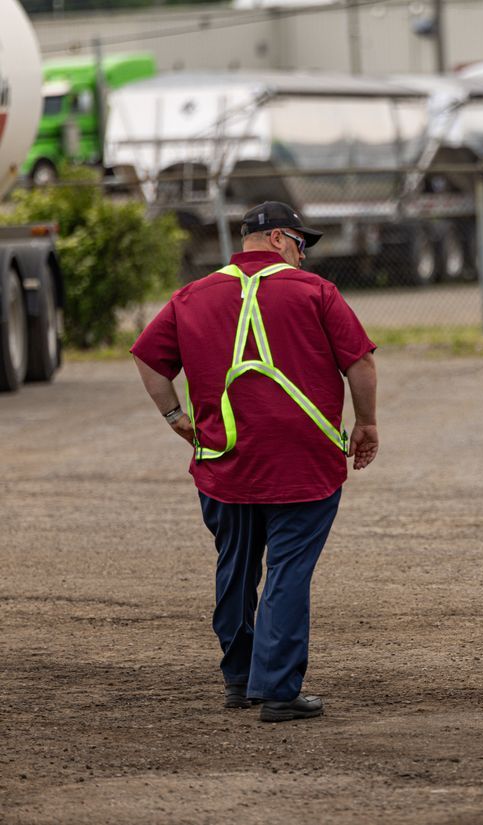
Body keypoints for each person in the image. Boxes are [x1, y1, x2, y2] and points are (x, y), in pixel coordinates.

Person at [131, 201, 379, 722]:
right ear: (279, 239)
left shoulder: (191, 295)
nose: (303, 256)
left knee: (236, 567)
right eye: (301, 244)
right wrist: (367, 423)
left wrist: (175, 416)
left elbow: (149, 358)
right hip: (303, 465)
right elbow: (359, 362)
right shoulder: (315, 292)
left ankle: (240, 680)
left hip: (225, 463)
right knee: (288, 570)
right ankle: (279, 690)